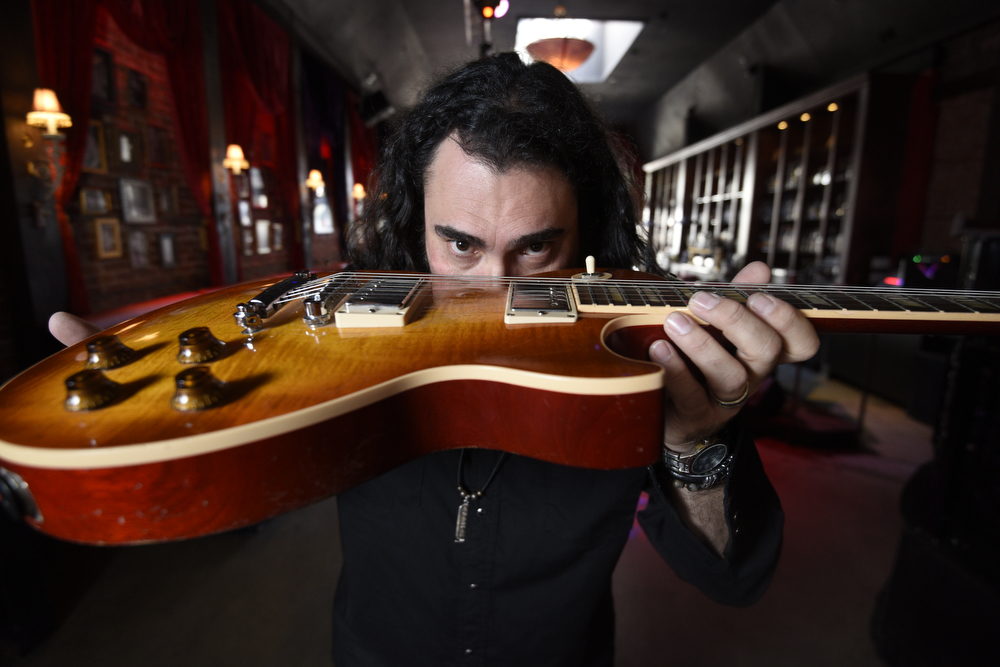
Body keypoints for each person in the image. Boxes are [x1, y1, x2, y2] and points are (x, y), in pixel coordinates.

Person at [50, 53, 819, 666]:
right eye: (461, 244)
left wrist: (696, 443)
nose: (493, 287)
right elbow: (251, 457)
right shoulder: (344, 333)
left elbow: (733, 576)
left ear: (584, 236)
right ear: (414, 227)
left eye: (535, 247)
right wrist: (155, 412)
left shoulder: (631, 353)